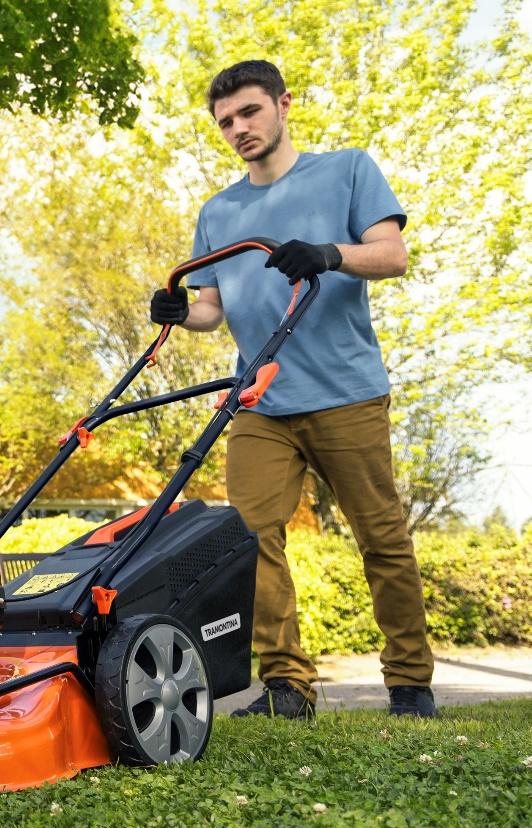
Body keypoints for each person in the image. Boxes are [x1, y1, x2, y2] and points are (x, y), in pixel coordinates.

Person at [151, 60, 436, 719]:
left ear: (282, 104)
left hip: (347, 393)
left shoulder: (346, 170)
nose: (238, 129)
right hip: (262, 400)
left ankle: (410, 684)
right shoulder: (219, 212)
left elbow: (391, 255)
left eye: (249, 112)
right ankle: (287, 687)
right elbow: (209, 309)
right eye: (225, 122)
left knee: (382, 537)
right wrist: (174, 311)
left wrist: (327, 253)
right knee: (251, 539)